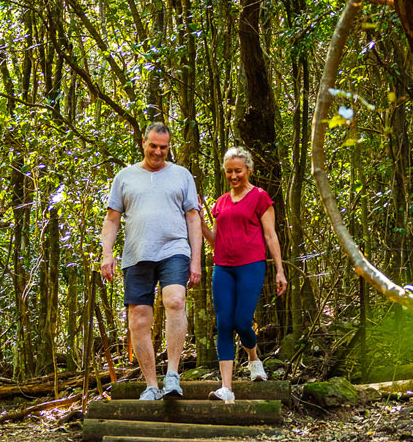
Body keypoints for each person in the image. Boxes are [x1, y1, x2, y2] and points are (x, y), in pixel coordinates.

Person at [100, 122, 202, 401]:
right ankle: (151, 385)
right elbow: (112, 219)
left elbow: (193, 218)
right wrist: (107, 255)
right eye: (153, 146)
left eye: (163, 147)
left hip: (174, 249)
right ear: (143, 143)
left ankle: (172, 375)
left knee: (175, 301)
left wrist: (196, 260)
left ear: (169, 147)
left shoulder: (181, 175)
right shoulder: (125, 176)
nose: (158, 152)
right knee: (139, 318)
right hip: (137, 253)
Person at [200, 146, 287, 404]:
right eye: (229, 171)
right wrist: (200, 221)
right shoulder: (221, 202)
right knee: (224, 323)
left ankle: (253, 358)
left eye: (238, 171)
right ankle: (226, 387)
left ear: (248, 170)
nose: (234, 176)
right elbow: (215, 240)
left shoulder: (260, 197)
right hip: (223, 266)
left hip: (251, 264)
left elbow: (271, 235)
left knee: (241, 321)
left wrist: (279, 270)